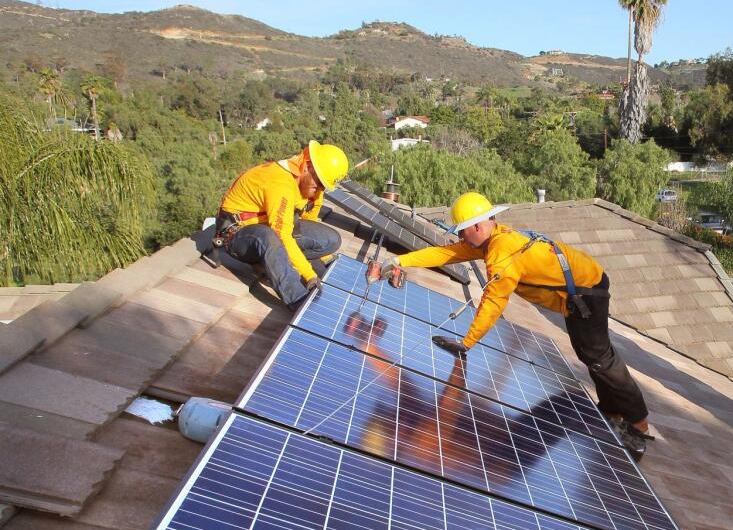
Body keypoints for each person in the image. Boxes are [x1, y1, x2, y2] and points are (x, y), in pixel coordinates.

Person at [378, 191, 654, 458]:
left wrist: (467, 342)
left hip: (586, 293)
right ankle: (611, 412)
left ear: (476, 226)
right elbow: (444, 255)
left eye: (462, 231)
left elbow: (493, 302)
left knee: (600, 358)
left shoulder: (501, 251)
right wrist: (399, 260)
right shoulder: (492, 238)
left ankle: (638, 424)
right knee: (592, 355)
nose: (461, 237)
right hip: (580, 291)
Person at [214, 140, 349, 310]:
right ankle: (298, 300)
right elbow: (281, 234)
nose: (320, 190)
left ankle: (276, 260)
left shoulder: (312, 188)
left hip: (272, 226)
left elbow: (310, 220)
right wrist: (308, 274)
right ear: (307, 167)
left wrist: (324, 259)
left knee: (331, 239)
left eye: (324, 186)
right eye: (319, 183)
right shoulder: (280, 182)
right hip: (238, 235)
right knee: (268, 237)